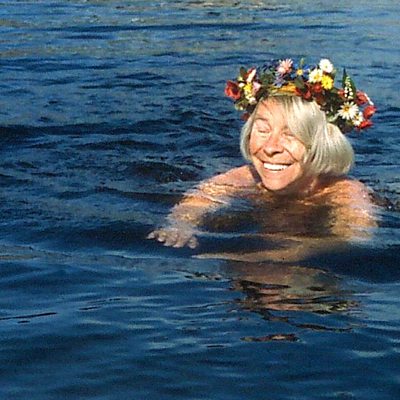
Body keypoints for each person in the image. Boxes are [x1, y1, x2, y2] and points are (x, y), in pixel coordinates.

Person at [147, 58, 377, 261]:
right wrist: (179, 225)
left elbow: (350, 240)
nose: (270, 147)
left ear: (322, 143)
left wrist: (269, 257)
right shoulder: (244, 178)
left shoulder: (343, 193)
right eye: (263, 130)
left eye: (290, 134)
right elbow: (195, 204)